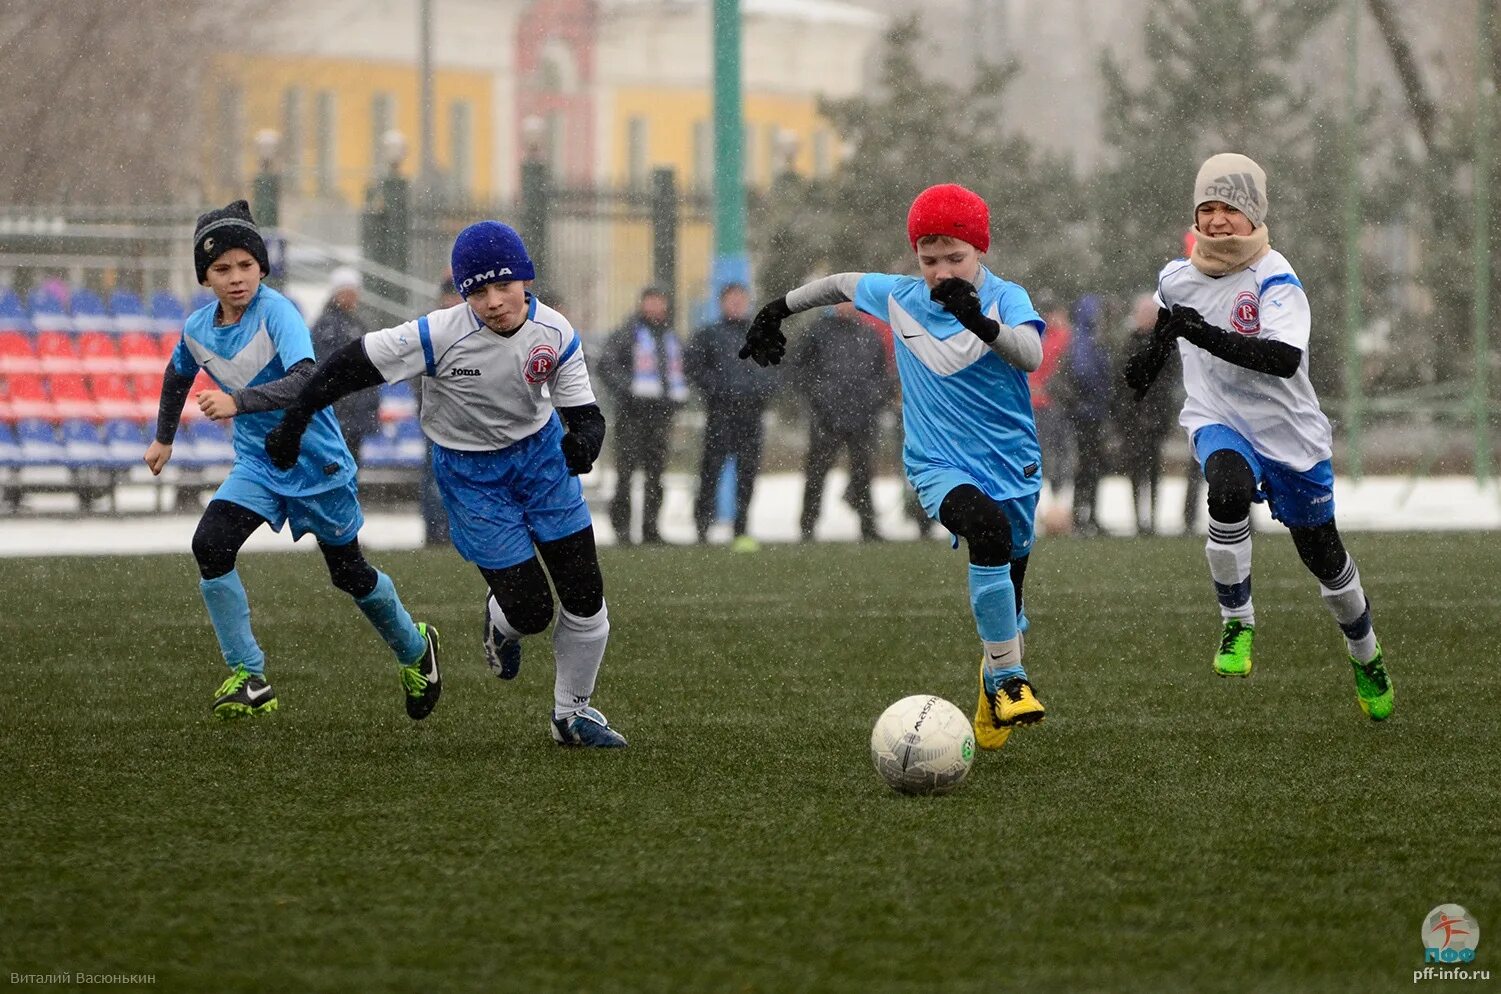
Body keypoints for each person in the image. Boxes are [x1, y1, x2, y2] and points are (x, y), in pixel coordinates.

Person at [265, 220, 627, 747]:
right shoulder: (437, 334)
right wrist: (294, 421)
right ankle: (501, 620)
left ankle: (572, 714)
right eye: (478, 291)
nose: (495, 301)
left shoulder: (555, 333)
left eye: (504, 286)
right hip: (471, 473)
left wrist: (585, 442)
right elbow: (347, 366)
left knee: (585, 592)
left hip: (542, 461)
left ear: (525, 279)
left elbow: (586, 414)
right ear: (463, 294)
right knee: (531, 610)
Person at [741, 183, 1047, 751]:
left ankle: (993, 677)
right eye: (929, 260)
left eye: (955, 257)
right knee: (988, 532)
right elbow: (837, 283)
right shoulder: (900, 295)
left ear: (979, 251)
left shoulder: (1007, 299)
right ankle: (1008, 678)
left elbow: (1030, 355)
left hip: (1014, 467)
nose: (940, 270)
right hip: (938, 464)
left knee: (1010, 591)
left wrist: (980, 323)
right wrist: (775, 310)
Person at [143, 200, 440, 721]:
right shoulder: (197, 328)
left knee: (349, 574)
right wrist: (163, 438)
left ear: (261, 266)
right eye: (222, 269)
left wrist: (239, 401)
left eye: (245, 265)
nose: (236, 278)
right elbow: (176, 375)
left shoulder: (279, 311)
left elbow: (306, 378)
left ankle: (416, 650)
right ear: (205, 277)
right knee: (211, 546)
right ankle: (250, 677)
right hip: (258, 465)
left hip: (316, 462)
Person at [1124, 152, 1394, 720]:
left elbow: (1281, 357)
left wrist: (1203, 332)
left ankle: (1365, 654)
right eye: (1208, 208)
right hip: (1217, 417)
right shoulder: (1176, 278)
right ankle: (1236, 625)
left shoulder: (1275, 277)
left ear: (1255, 216)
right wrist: (1146, 359)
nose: (1218, 219)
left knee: (1324, 558)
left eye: (1231, 208)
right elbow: (1162, 343)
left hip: (1289, 436)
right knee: (1225, 487)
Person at [686, 282, 778, 550]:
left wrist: (761, 389)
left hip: (752, 415)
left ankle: (742, 527)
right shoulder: (708, 335)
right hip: (720, 414)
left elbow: (777, 369)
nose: (737, 303)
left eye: (741, 299)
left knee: (747, 473)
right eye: (731, 299)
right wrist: (718, 390)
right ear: (722, 302)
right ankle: (702, 525)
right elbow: (694, 368)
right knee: (711, 470)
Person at [790, 300, 892, 541]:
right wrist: (819, 396)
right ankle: (807, 526)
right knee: (817, 472)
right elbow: (798, 368)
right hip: (827, 417)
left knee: (863, 473)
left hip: (862, 416)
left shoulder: (869, 334)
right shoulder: (817, 332)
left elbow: (881, 373)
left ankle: (868, 527)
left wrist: (874, 397)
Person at [598, 286, 686, 545]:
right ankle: (622, 529)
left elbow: (682, 369)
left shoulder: (670, 336)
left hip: (661, 414)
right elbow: (607, 365)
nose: (655, 307)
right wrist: (630, 389)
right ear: (642, 303)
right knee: (626, 472)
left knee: (656, 473)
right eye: (651, 301)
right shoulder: (628, 334)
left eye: (660, 301)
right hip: (632, 414)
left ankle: (651, 528)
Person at [1112, 293, 1177, 535]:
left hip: (1155, 416)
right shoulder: (1128, 343)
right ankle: (1139, 518)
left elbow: (1167, 380)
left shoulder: (1163, 342)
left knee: (1153, 469)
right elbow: (1121, 383)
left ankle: (1152, 518)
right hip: (1133, 418)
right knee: (1136, 469)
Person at [310, 266, 381, 463]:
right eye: (346, 292)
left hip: (354, 410)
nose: (351, 297)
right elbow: (325, 366)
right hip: (340, 409)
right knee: (338, 462)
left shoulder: (357, 324)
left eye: (353, 292)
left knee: (351, 462)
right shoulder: (327, 326)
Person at [1055, 294, 1112, 536]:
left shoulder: (1078, 342)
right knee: (1088, 466)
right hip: (1088, 415)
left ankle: (1083, 515)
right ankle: (1084, 516)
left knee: (1087, 466)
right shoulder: (1088, 343)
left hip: (1083, 414)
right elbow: (1091, 377)